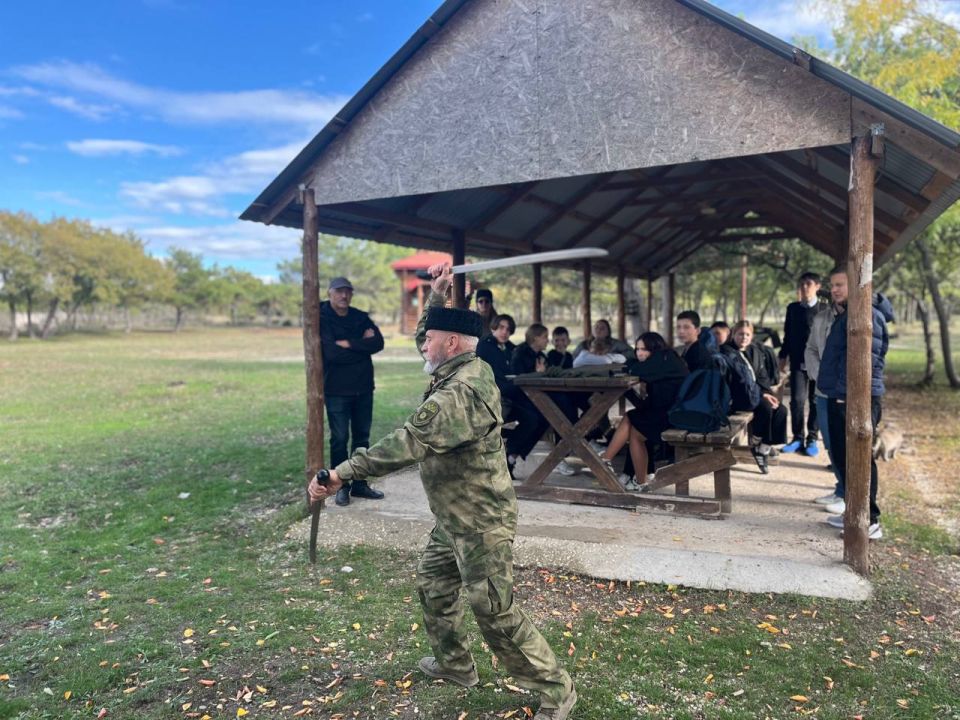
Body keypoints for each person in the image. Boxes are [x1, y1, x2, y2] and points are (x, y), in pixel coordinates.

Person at [307, 263, 577, 720]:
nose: (423, 344)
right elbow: (425, 339)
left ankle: (556, 689)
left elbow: (408, 443)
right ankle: (456, 666)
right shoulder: (457, 364)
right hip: (453, 517)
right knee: (434, 587)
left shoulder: (462, 392)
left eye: (431, 338)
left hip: (480, 521)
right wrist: (436, 296)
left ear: (452, 343)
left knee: (493, 609)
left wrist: (342, 474)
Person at [816, 266, 894, 540]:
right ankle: (853, 511)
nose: (834, 290)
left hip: (857, 400)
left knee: (860, 459)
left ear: (857, 285)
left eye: (839, 284)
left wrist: (846, 394)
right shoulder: (847, 314)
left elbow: (866, 362)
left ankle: (869, 520)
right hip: (840, 397)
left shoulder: (867, 315)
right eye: (832, 285)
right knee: (844, 459)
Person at [320, 276, 385, 506]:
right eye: (339, 291)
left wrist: (347, 343)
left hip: (363, 387)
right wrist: (361, 345)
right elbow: (331, 353)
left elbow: (378, 342)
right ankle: (340, 485)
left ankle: (359, 484)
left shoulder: (359, 316)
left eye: (348, 291)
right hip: (336, 389)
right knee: (339, 438)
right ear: (329, 293)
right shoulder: (322, 316)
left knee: (362, 438)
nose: (344, 296)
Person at [598, 332, 689, 488]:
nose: (640, 353)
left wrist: (631, 367)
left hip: (674, 416)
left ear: (655, 349)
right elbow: (648, 400)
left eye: (644, 349)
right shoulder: (663, 361)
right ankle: (640, 482)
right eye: (638, 349)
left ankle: (606, 460)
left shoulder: (665, 358)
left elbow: (634, 371)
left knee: (631, 420)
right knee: (634, 427)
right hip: (668, 412)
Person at [477, 314, 548, 476]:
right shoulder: (484, 346)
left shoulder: (511, 348)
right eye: (501, 327)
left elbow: (515, 374)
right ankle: (501, 458)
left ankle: (512, 456)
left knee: (541, 418)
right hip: (489, 399)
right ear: (494, 327)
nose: (504, 332)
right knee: (533, 417)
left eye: (508, 329)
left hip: (510, 396)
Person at [805, 288, 844, 506]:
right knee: (830, 442)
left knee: (845, 444)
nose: (835, 293)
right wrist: (821, 377)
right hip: (823, 390)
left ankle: (849, 493)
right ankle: (840, 489)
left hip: (846, 393)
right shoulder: (821, 318)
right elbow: (810, 348)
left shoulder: (857, 317)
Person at [779, 272, 824, 455]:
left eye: (808, 283)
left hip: (819, 363)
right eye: (802, 284)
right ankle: (797, 437)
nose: (804, 287)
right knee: (797, 401)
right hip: (798, 361)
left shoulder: (824, 310)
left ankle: (812, 438)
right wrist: (783, 357)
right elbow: (788, 335)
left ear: (817, 286)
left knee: (815, 401)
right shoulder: (793, 308)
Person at [730, 320, 788, 456]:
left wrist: (766, 393)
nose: (744, 337)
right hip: (741, 395)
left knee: (782, 410)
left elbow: (763, 377)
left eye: (747, 335)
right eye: (740, 334)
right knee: (766, 407)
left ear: (752, 336)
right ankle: (757, 440)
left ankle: (765, 446)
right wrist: (762, 395)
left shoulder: (755, 351)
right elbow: (740, 381)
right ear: (733, 334)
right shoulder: (729, 352)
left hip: (758, 393)